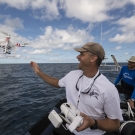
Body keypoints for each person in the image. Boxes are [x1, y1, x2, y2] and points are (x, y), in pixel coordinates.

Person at [30, 42, 123, 135]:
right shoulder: (72, 75)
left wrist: (93, 123)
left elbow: (115, 124)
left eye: (82, 54)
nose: (77, 57)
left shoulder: (109, 89)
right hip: (70, 129)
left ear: (93, 58)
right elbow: (56, 83)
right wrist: (39, 72)